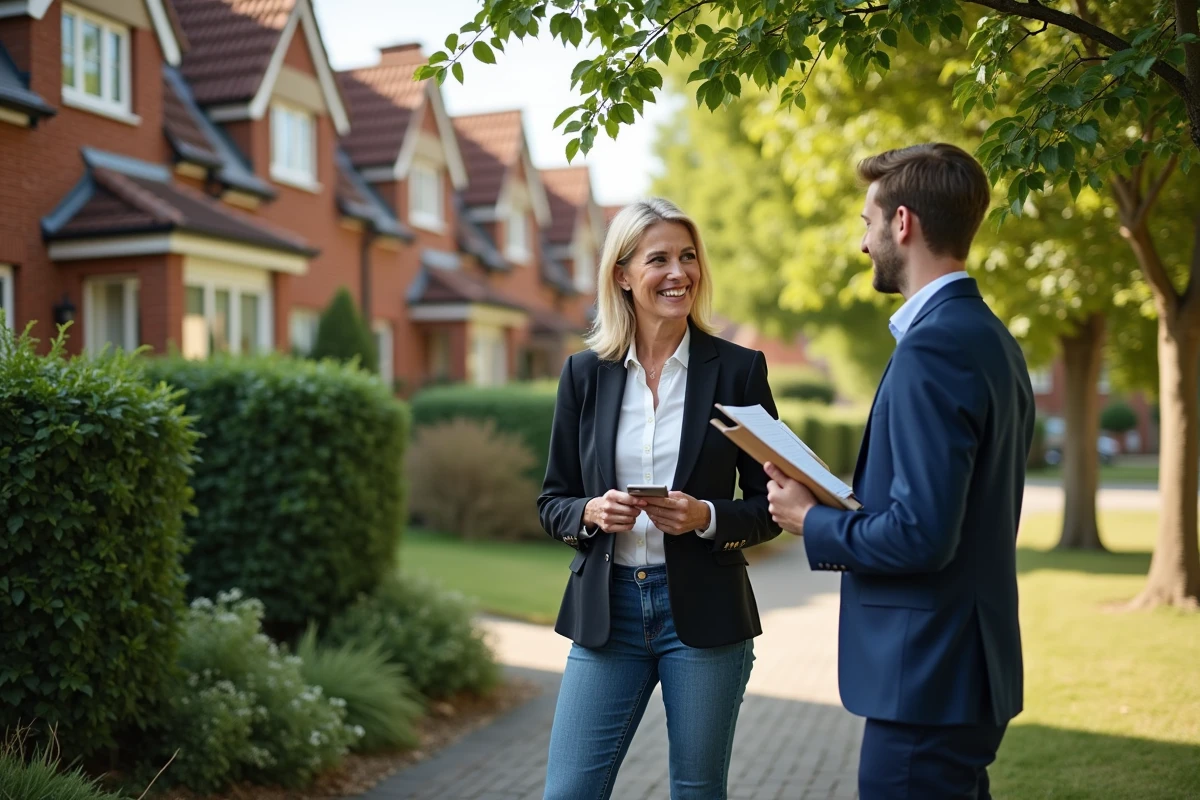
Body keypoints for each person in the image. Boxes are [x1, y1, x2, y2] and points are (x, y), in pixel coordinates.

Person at [764, 143, 1034, 799]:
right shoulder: (989, 336)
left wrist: (812, 520)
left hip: (926, 683)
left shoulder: (934, 346)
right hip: (961, 677)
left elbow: (921, 535)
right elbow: (946, 510)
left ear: (903, 223)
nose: (863, 243)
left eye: (867, 222)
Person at [538, 198, 782, 800]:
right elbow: (553, 501)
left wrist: (707, 517)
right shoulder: (584, 374)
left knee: (697, 790)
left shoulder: (738, 371)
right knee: (568, 791)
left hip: (703, 614)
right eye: (660, 260)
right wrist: (591, 513)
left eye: (688, 257)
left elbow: (772, 500)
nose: (679, 273)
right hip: (608, 614)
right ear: (622, 274)